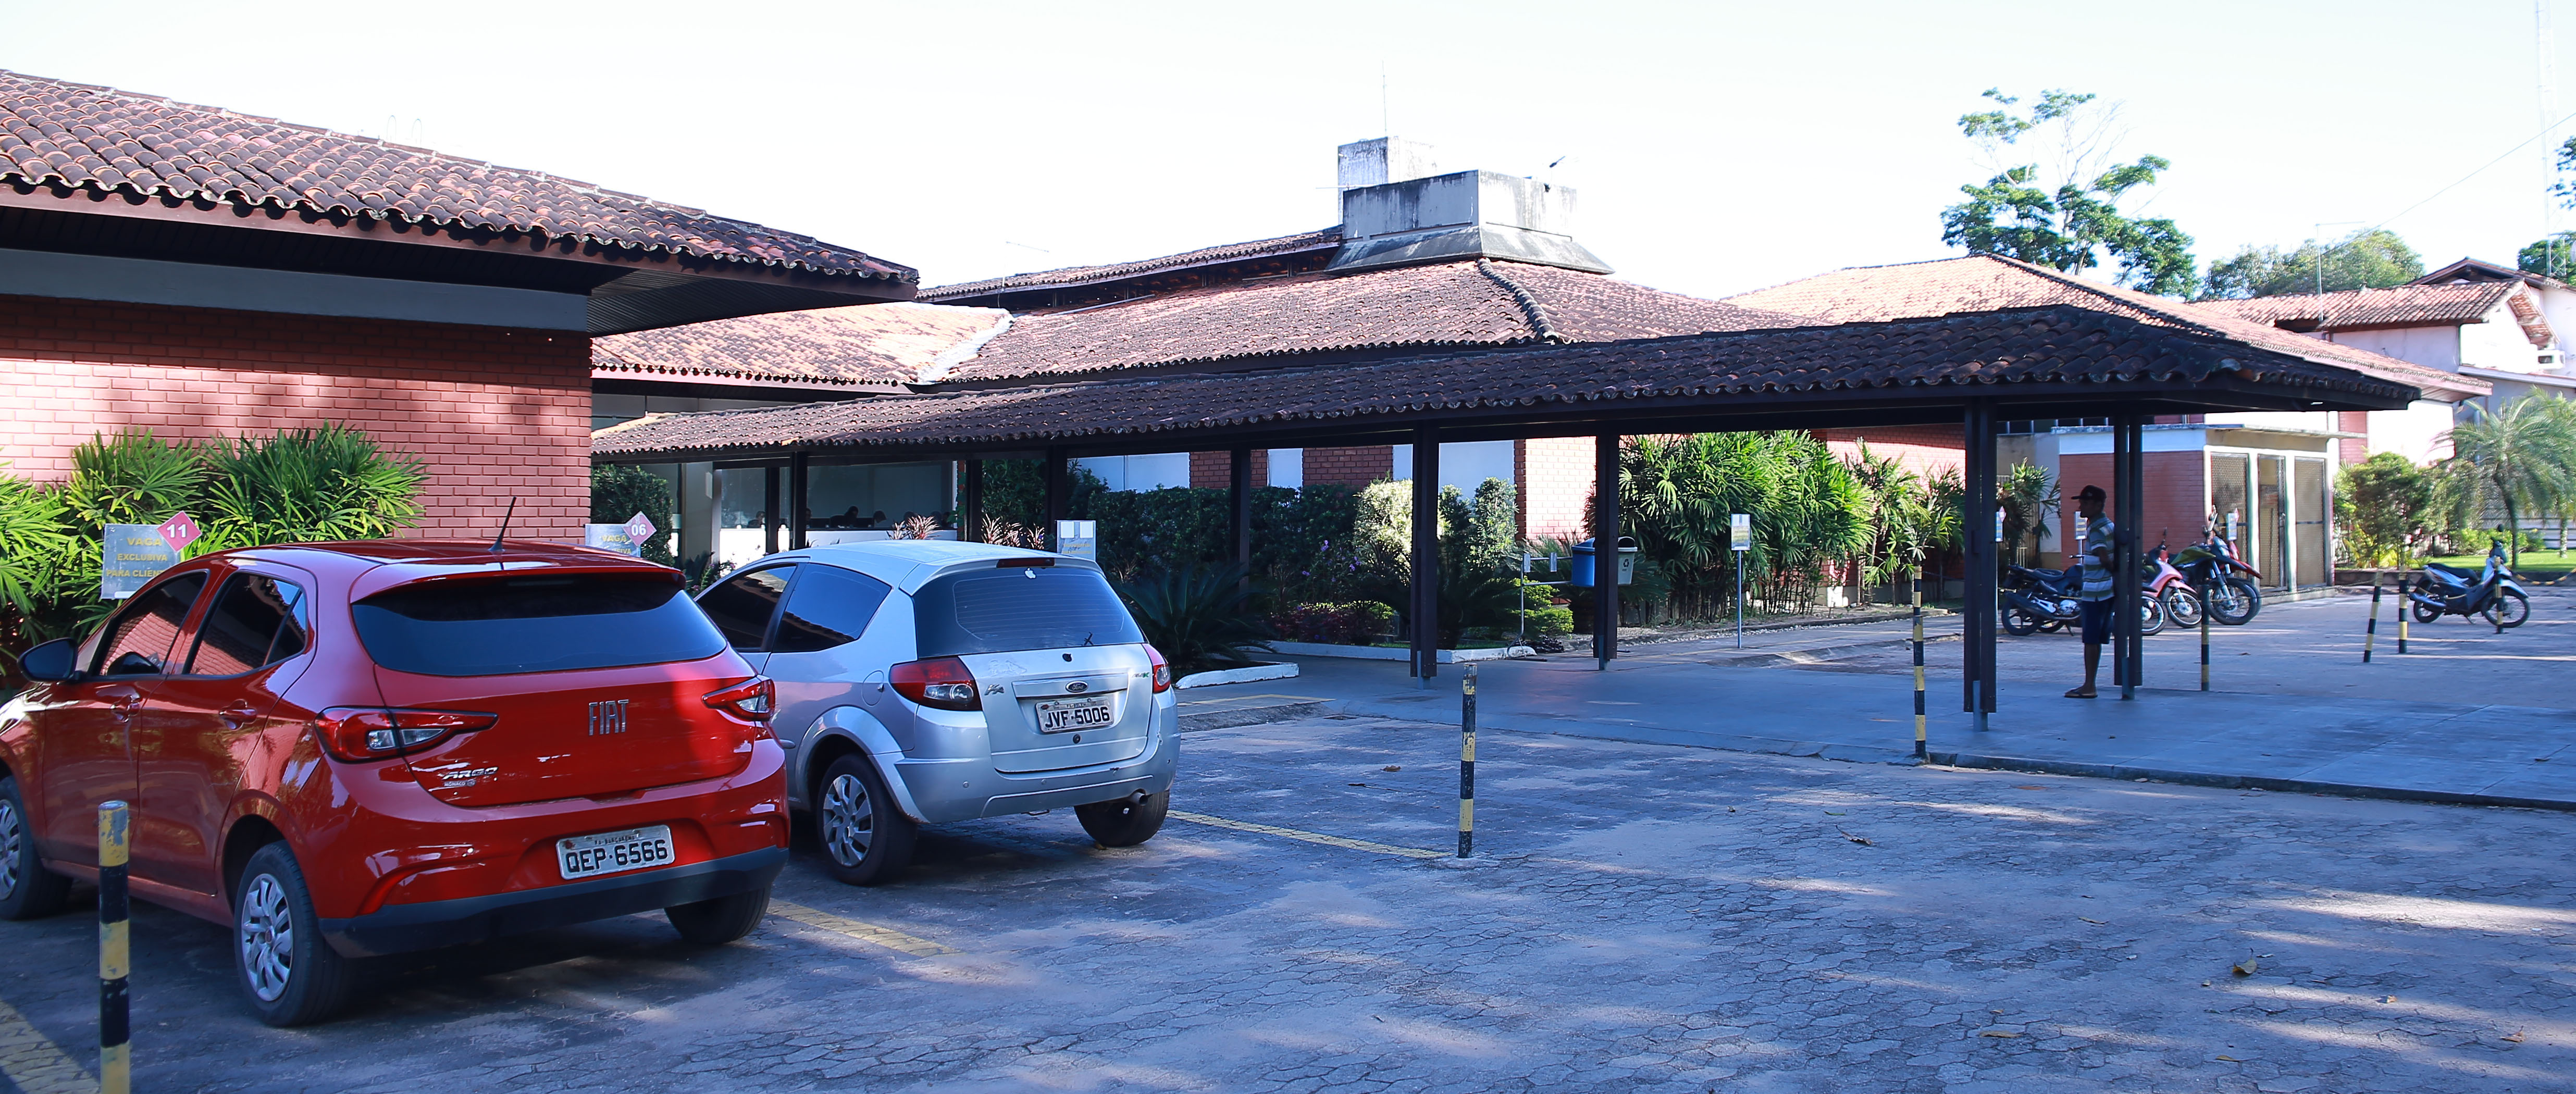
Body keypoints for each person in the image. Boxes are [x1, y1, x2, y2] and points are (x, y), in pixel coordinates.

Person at [2064, 484, 2116, 698]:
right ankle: (2090, 683)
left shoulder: (2096, 529)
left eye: (2085, 503)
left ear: (2097, 505)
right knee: (2096, 639)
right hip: (2106, 590)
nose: (2081, 507)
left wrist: (2114, 569)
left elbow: (2103, 557)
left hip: (2096, 591)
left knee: (2091, 639)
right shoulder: (2109, 525)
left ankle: (2089, 686)